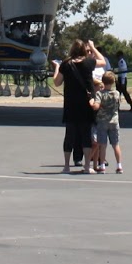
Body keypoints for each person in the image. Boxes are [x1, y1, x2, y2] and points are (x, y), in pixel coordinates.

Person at [52, 38, 100, 172]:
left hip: (71, 104)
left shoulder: (66, 64)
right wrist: (93, 47)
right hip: (86, 103)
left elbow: (57, 82)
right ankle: (86, 166)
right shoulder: (89, 62)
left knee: (70, 135)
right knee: (86, 134)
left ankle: (66, 166)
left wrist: (56, 67)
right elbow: (102, 61)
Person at [93, 70, 123, 173]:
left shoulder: (99, 94)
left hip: (102, 121)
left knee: (103, 145)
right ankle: (119, 165)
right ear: (113, 81)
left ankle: (102, 166)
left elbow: (96, 107)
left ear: (103, 81)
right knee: (115, 144)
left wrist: (93, 102)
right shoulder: (117, 93)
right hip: (114, 121)